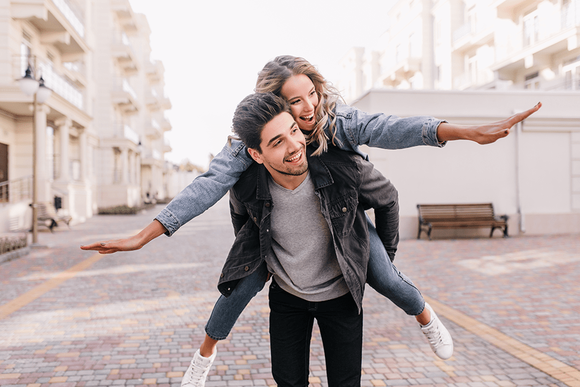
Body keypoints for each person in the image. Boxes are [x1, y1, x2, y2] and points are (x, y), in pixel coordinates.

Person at [81, 56, 542, 386]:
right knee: (237, 287)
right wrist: (145, 235)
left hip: (346, 230)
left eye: (312, 95)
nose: (309, 109)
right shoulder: (250, 146)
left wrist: (462, 132)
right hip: (279, 250)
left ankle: (424, 316)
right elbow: (207, 186)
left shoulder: (336, 122)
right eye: (294, 102)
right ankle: (205, 354)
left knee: (387, 277)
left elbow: (390, 128)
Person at [226, 92, 402, 386]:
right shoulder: (245, 185)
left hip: (342, 295)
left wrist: (381, 261)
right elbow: (243, 224)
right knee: (288, 382)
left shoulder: (343, 166)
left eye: (293, 131)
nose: (294, 146)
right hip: (287, 298)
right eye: (276, 142)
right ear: (257, 154)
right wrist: (263, 260)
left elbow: (388, 199)